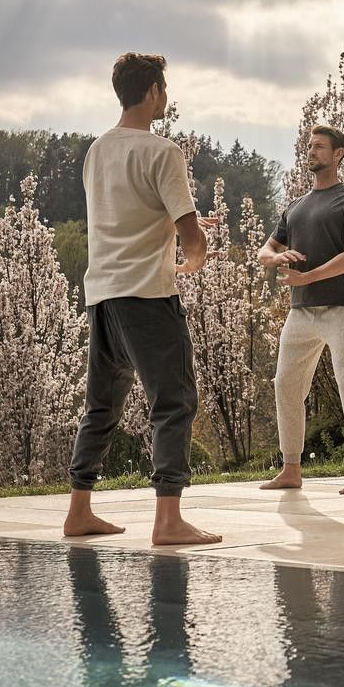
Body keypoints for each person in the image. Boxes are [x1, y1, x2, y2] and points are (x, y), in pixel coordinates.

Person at [64, 52, 222, 546]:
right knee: (174, 401)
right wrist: (195, 252)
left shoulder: (97, 150)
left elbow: (125, 213)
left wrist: (185, 223)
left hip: (103, 295)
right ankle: (169, 519)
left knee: (101, 405)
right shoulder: (163, 151)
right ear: (153, 92)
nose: (166, 97)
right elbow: (187, 235)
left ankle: (79, 510)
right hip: (148, 296)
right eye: (164, 88)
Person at [258, 125, 344, 495]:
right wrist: (277, 256)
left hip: (342, 309)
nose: (311, 151)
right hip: (301, 313)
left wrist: (308, 276)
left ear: (338, 154)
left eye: (320, 147)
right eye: (309, 146)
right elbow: (265, 252)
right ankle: (291, 469)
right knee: (286, 386)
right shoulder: (295, 206)